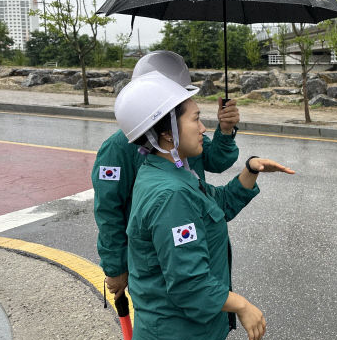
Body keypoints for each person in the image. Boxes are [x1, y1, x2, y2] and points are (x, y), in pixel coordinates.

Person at [114, 71, 294, 340]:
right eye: (195, 119)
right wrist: (242, 305)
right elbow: (189, 285)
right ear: (168, 133)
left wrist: (250, 169)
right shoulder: (171, 195)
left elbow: (217, 205)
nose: (203, 128)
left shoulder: (168, 171)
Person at [92, 50, 240, 298]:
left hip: (190, 241)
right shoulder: (118, 148)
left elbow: (216, 160)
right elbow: (109, 210)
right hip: (152, 254)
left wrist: (226, 131)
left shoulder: (182, 135)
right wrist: (116, 265)